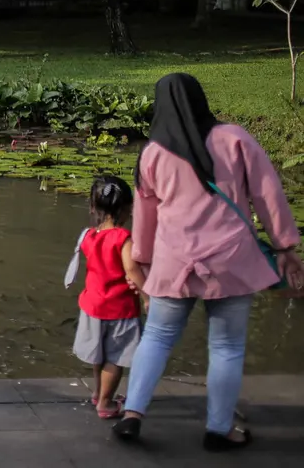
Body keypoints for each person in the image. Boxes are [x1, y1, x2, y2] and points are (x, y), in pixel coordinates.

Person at [114, 73, 304, 450]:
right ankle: (219, 429)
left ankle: (132, 414)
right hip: (231, 261)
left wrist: (143, 261)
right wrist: (285, 246)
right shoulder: (235, 139)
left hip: (173, 261)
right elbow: (268, 194)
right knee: (227, 347)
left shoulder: (153, 153)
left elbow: (145, 216)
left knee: (157, 337)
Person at [71, 176, 145, 420]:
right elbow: (131, 270)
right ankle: (106, 403)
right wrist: (148, 296)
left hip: (92, 305)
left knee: (98, 354)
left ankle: (97, 392)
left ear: (93, 207)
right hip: (119, 308)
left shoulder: (88, 236)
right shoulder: (123, 238)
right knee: (116, 358)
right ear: (127, 208)